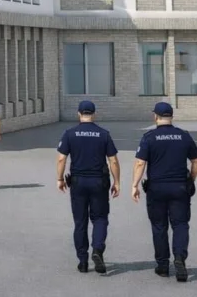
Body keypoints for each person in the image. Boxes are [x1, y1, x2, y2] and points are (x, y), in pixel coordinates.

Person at [131, 102, 197, 282]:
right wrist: (191, 180)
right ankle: (179, 258)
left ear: (155, 116)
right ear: (171, 117)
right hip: (180, 187)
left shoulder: (149, 137)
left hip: (156, 188)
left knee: (159, 226)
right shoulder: (184, 136)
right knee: (180, 224)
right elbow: (196, 161)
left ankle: (163, 266)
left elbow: (140, 163)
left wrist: (134, 185)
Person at [56, 100, 121, 274]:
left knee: (80, 222)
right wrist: (117, 182)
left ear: (79, 114)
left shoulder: (70, 133)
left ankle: (83, 261)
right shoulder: (103, 134)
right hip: (99, 182)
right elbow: (113, 160)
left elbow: (61, 158)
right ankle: (97, 249)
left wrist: (60, 179)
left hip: (78, 182)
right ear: (94, 114)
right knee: (100, 218)